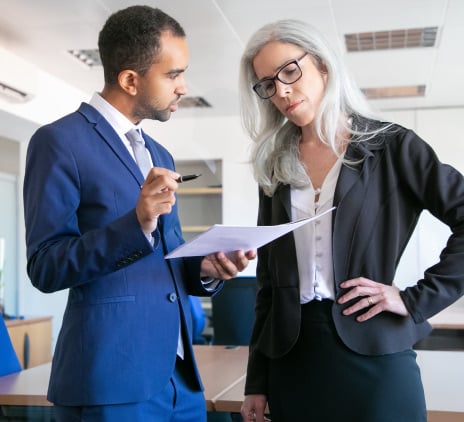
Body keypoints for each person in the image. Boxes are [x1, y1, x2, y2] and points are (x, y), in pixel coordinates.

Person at [23, 5, 255, 422]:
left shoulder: (159, 153)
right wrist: (137, 223)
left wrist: (205, 267)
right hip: (111, 381)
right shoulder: (58, 141)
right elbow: (45, 267)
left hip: (181, 380)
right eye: (173, 74)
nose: (183, 86)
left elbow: (168, 255)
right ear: (130, 79)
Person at [238, 18, 464, 422]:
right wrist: (257, 380)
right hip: (293, 359)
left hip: (376, 354)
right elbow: (268, 283)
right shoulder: (275, 166)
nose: (283, 91)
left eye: (290, 70)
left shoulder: (392, 147)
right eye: (268, 85)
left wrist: (414, 299)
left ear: (323, 65)